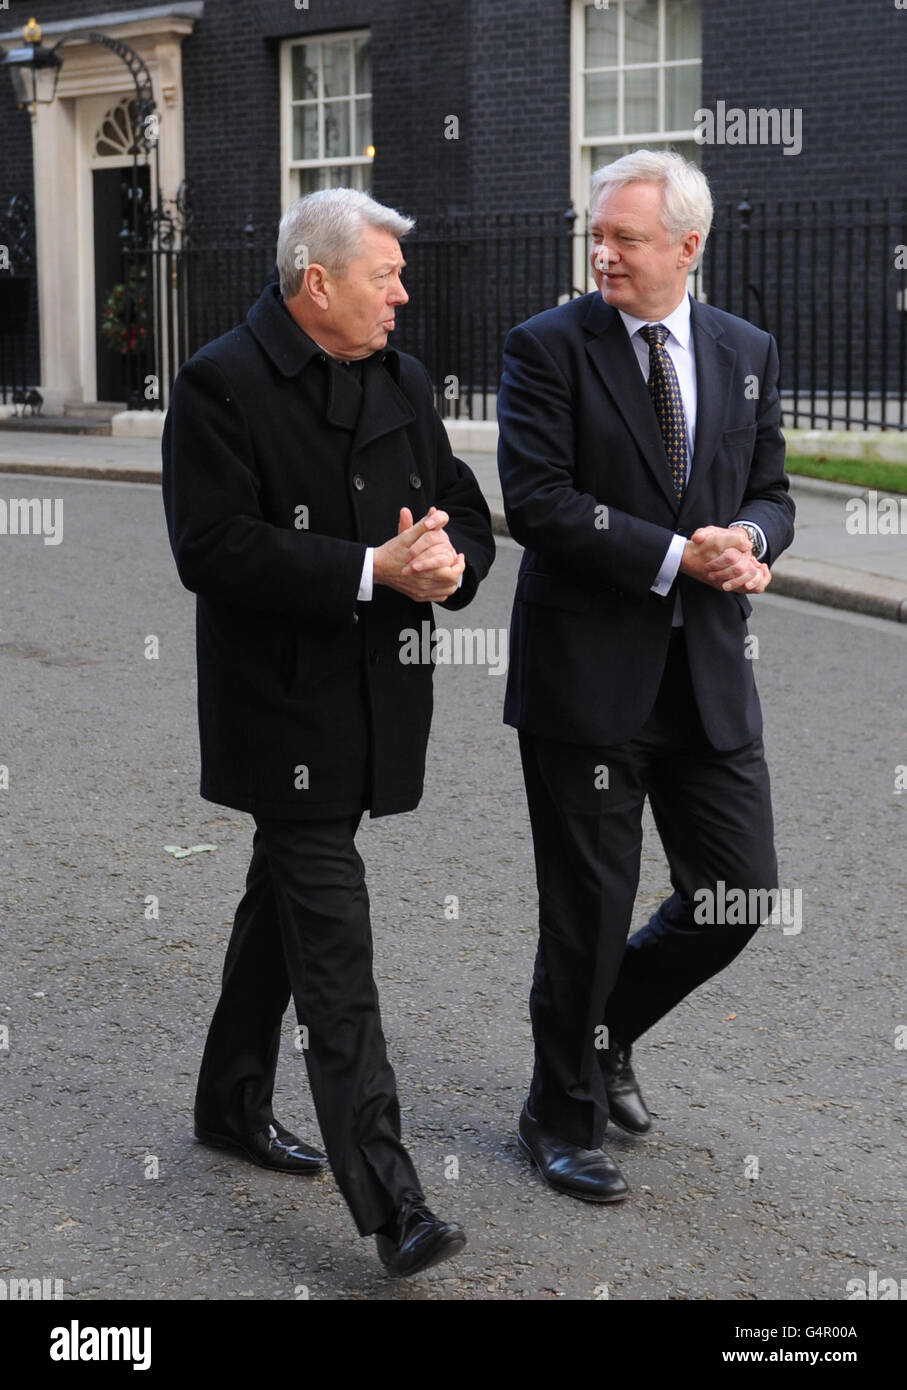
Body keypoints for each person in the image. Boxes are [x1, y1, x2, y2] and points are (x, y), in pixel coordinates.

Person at [162, 188, 495, 1273]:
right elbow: (210, 547)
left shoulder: (399, 375)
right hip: (282, 709)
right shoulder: (220, 382)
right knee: (335, 947)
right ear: (319, 284)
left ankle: (226, 1102)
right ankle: (394, 1203)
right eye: (384, 276)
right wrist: (367, 570)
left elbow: (461, 505)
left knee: (283, 908)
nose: (403, 293)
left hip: (377, 698)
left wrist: (450, 567)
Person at [497, 150, 795, 1203]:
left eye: (624, 237)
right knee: (589, 902)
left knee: (737, 890)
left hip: (705, 673)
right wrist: (679, 554)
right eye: (599, 233)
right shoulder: (546, 347)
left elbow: (772, 491)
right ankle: (556, 1110)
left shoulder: (743, 347)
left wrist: (750, 539)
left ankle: (605, 1032)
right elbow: (534, 499)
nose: (603, 252)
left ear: (686, 246)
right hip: (586, 676)